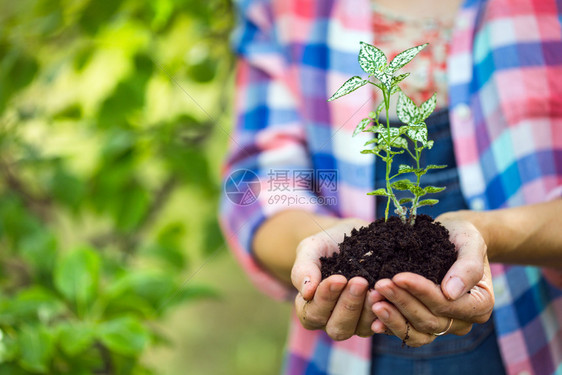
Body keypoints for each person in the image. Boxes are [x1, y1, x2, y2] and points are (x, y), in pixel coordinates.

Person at [219, 0, 562, 374]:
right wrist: (319, 246)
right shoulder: (280, 8)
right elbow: (255, 185)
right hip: (343, 357)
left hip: (536, 339)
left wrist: (491, 234)